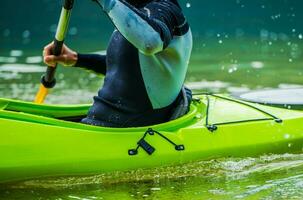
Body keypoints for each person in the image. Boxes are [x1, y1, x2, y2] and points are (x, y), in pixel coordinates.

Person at [43, 0, 193, 127]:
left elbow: (150, 42)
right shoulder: (134, 14)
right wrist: (77, 59)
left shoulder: (166, 10)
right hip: (99, 123)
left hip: (123, 128)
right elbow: (127, 71)